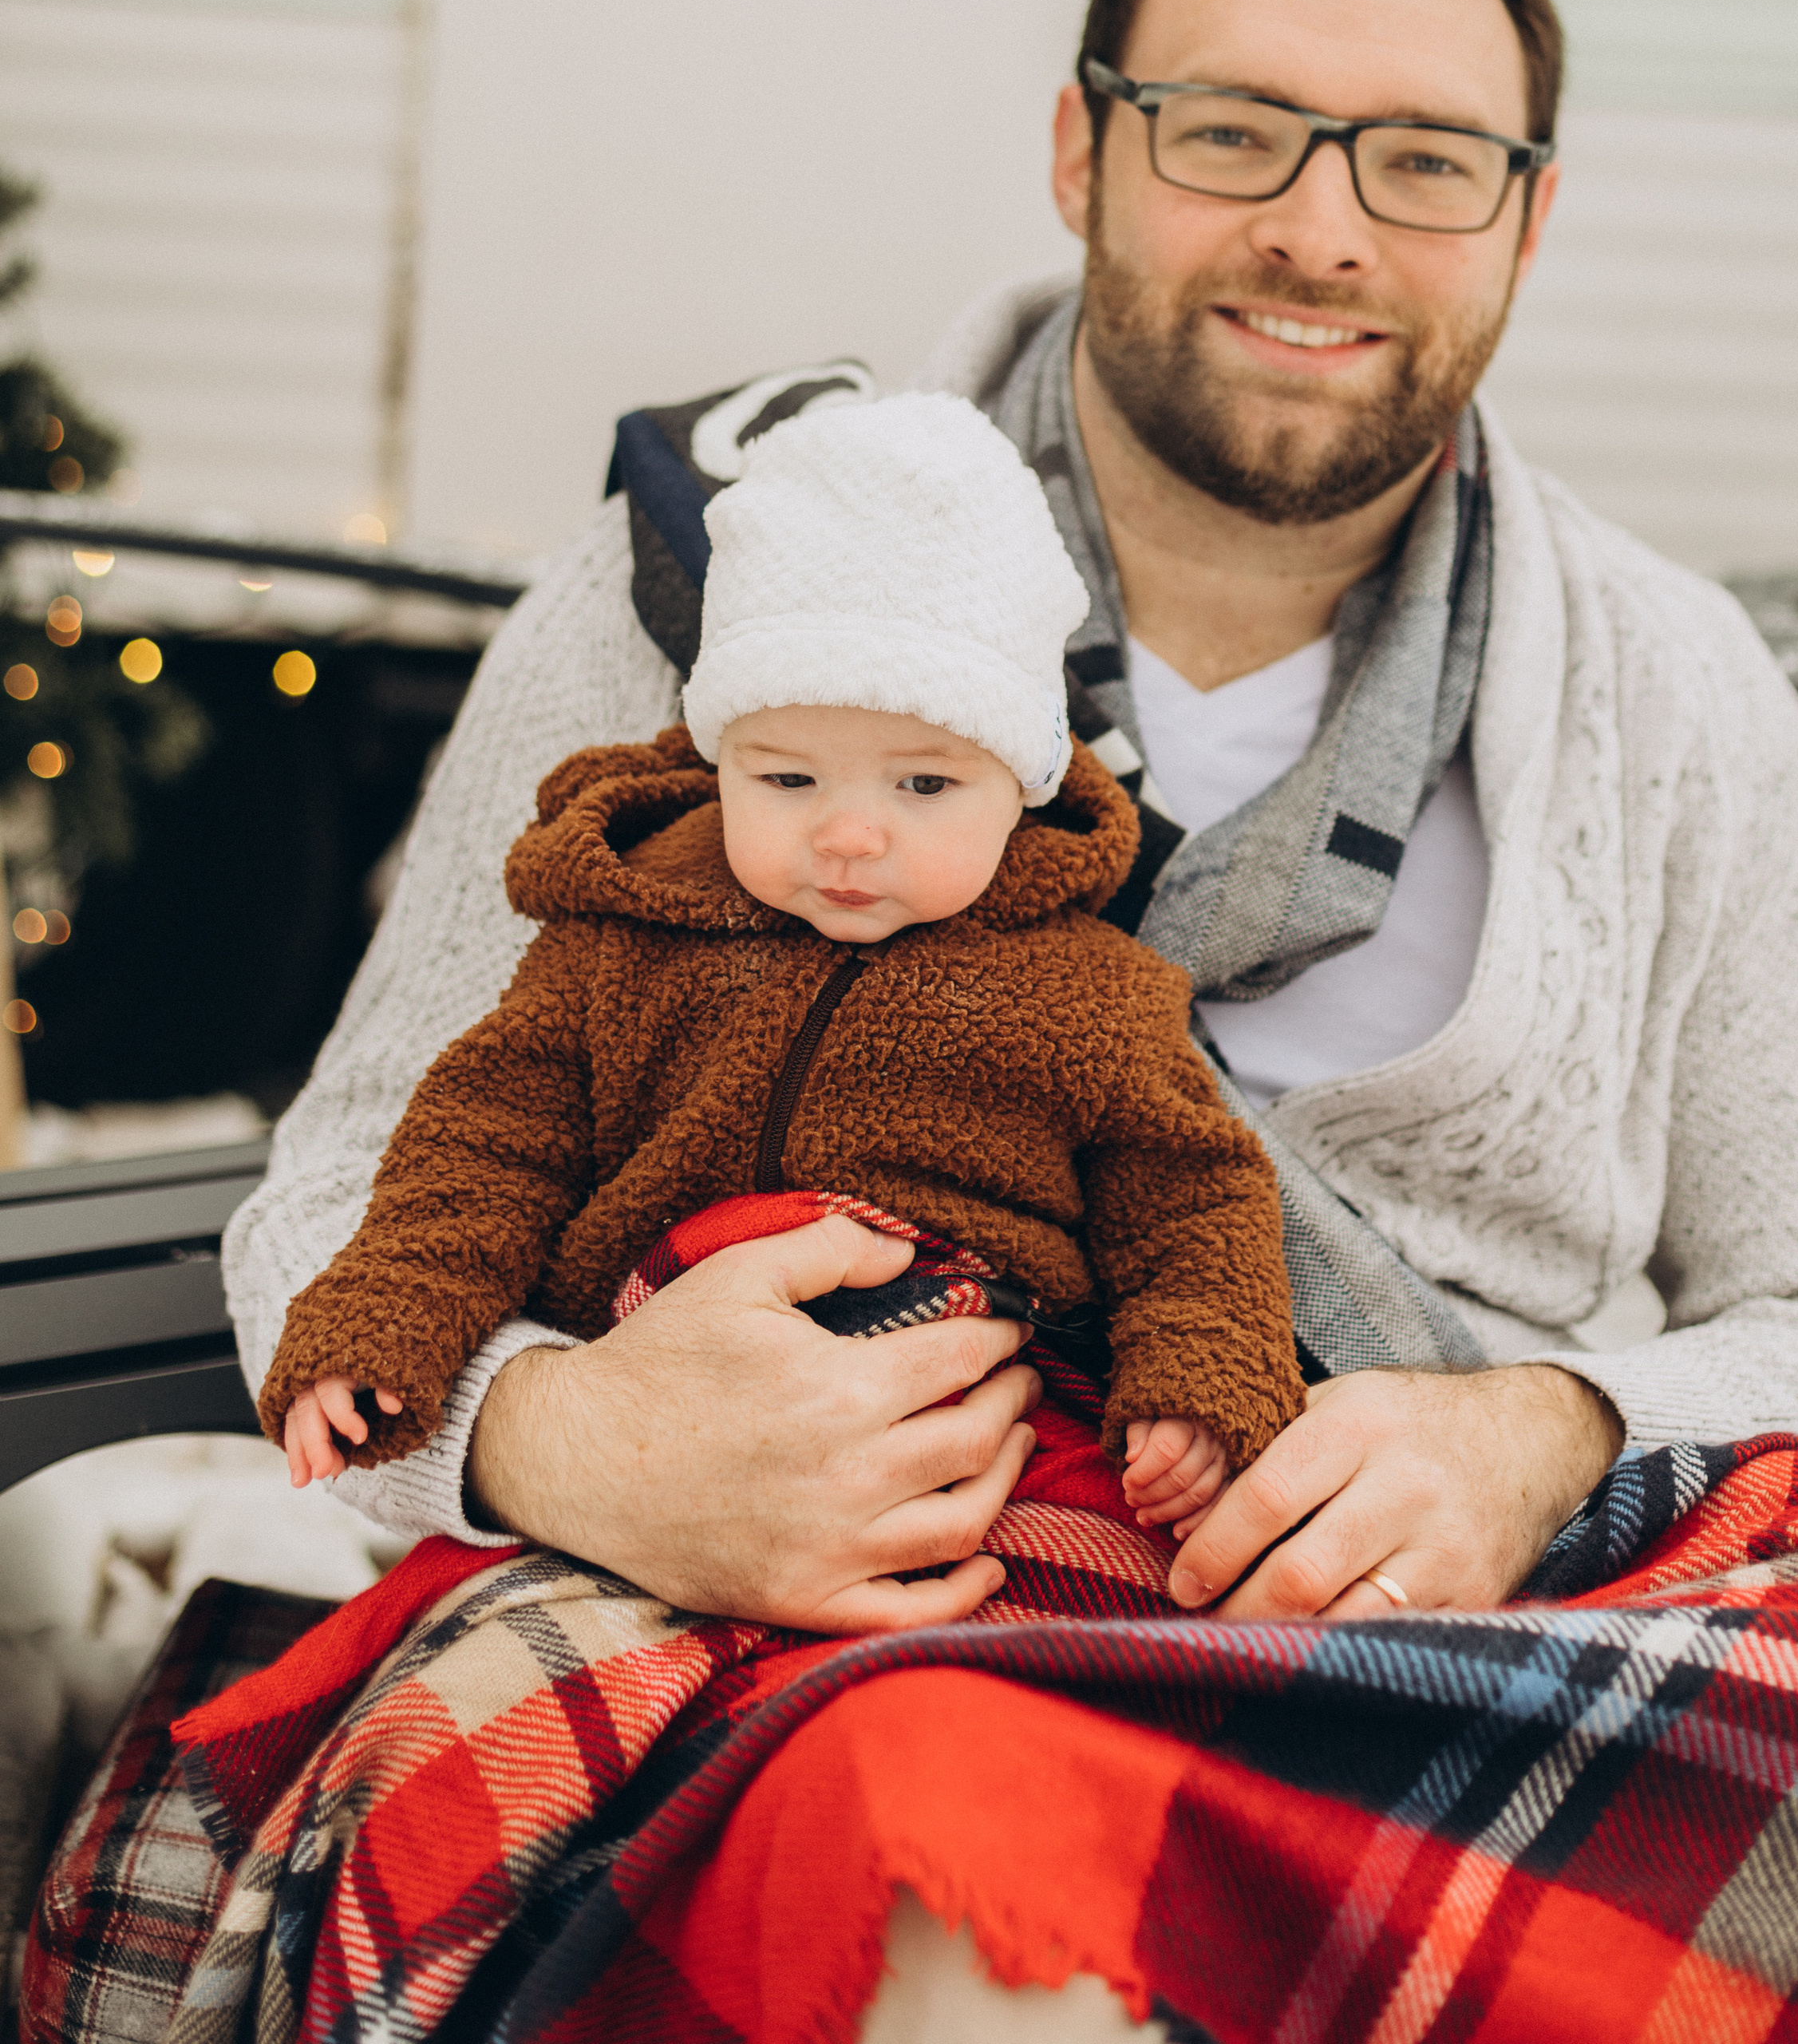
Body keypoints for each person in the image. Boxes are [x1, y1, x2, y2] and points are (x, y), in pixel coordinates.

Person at [226, 0, 1798, 1647]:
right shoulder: (709, 579)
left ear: (1524, 220)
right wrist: (564, 1445)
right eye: (1231, 132)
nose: (1320, 232)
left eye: (1425, 162)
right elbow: (338, 1202)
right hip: (748, 1619)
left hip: (1472, 1645)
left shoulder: (1669, 692)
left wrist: (1548, 1438)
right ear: (1082, 152)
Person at [263, 394, 1305, 1559]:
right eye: (789, 780)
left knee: (1076, 1629)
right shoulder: (627, 935)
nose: (848, 836)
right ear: (721, 761)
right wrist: (383, 1322)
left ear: (1021, 786)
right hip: (650, 1436)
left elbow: (1193, 1203)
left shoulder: (1091, 997)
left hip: (984, 1441)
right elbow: (486, 1142)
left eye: (924, 786)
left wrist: (1200, 1383)